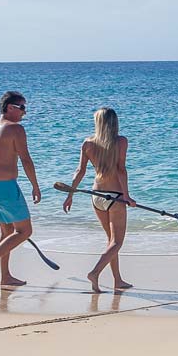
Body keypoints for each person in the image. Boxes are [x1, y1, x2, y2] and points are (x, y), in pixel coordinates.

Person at [63, 107, 134, 293]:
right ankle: (95, 272)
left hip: (97, 196)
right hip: (116, 196)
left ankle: (117, 280)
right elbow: (121, 170)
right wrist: (126, 195)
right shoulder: (120, 141)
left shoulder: (88, 143)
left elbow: (80, 171)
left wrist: (71, 194)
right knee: (117, 242)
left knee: (111, 241)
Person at [0, 91, 41, 287]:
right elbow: (26, 159)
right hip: (4, 186)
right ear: (10, 108)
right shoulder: (15, 129)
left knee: (7, 232)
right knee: (24, 231)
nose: (24, 113)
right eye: (22, 108)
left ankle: (5, 276)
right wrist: (35, 185)